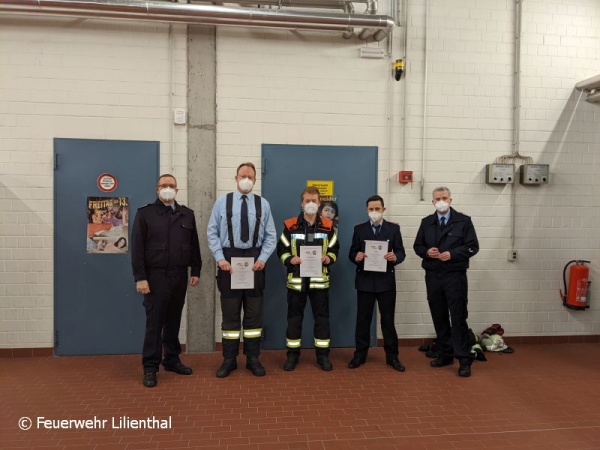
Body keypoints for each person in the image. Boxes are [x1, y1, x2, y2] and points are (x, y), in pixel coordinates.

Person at [131, 174, 202, 388]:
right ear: (157, 189)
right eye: (164, 186)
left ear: (177, 190)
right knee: (155, 322)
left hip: (179, 275)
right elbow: (137, 249)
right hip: (155, 276)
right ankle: (150, 367)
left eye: (171, 186)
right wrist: (140, 277)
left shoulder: (187, 214)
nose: (168, 189)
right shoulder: (145, 214)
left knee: (173, 320)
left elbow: (194, 245)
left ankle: (171, 359)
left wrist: (196, 270)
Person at [207, 162, 277, 378]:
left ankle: (253, 358)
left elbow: (271, 236)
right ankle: (229, 359)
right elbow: (212, 232)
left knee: (254, 316)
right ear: (236, 178)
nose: (246, 179)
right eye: (243, 175)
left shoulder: (263, 204)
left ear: (255, 180)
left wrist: (263, 259)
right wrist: (220, 259)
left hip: (255, 263)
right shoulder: (222, 202)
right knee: (230, 315)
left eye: (250, 176)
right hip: (229, 263)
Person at [413, 186, 479, 377]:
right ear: (432, 202)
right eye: (437, 199)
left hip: (454, 275)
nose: (441, 201)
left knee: (458, 317)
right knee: (439, 315)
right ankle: (445, 354)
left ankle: (464, 359)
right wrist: (427, 252)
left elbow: (473, 246)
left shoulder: (463, 221)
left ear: (450, 200)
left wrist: (453, 254)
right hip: (433, 275)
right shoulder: (427, 222)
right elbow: (417, 246)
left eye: (444, 198)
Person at [277, 186, 339, 371]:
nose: (311, 203)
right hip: (297, 283)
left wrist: (329, 258)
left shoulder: (328, 226)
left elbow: (335, 249)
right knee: (294, 320)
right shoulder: (290, 226)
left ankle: (323, 356)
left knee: (322, 320)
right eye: (307, 201)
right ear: (301, 203)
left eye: (314, 200)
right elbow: (281, 250)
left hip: (319, 283)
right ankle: (292, 356)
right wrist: (290, 259)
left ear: (319, 203)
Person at [348, 195, 406, 372]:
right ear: (367, 210)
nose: (374, 212)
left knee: (388, 321)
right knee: (363, 320)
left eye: (377, 209)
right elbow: (352, 253)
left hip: (386, 282)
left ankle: (392, 356)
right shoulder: (359, 229)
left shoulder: (393, 229)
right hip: (365, 281)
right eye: (371, 209)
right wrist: (357, 257)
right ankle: (360, 355)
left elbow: (401, 252)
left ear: (383, 210)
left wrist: (395, 257)